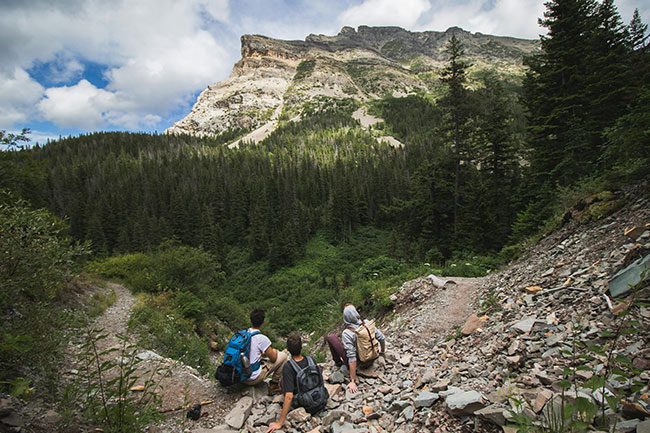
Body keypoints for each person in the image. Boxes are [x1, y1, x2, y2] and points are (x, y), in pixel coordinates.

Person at [267, 333, 327, 432]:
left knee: (283, 382)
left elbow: (289, 396)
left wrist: (280, 422)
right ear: (301, 347)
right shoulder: (311, 359)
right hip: (321, 399)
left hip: (306, 404)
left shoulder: (288, 366)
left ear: (288, 349)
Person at [325, 304, 385, 394]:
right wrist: (382, 352)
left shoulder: (347, 333)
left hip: (360, 362)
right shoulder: (367, 323)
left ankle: (338, 362)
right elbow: (382, 338)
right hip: (373, 356)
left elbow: (352, 357)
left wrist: (352, 381)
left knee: (331, 338)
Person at [243, 309, 287, 394]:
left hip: (240, 376)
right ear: (263, 322)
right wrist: (274, 351)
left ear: (250, 320)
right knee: (283, 356)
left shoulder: (243, 334)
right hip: (252, 379)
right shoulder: (262, 338)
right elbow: (274, 359)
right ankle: (274, 385)